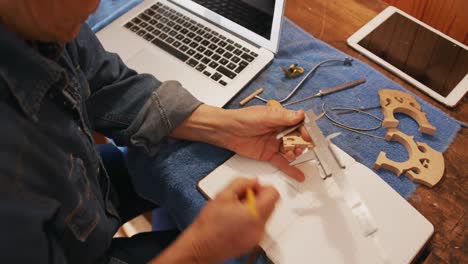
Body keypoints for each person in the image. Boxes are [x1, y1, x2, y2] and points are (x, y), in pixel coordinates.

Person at [0, 1, 308, 263]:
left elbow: (107, 85)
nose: (95, 5)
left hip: (81, 191)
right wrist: (200, 250)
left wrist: (226, 125)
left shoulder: (40, 20)